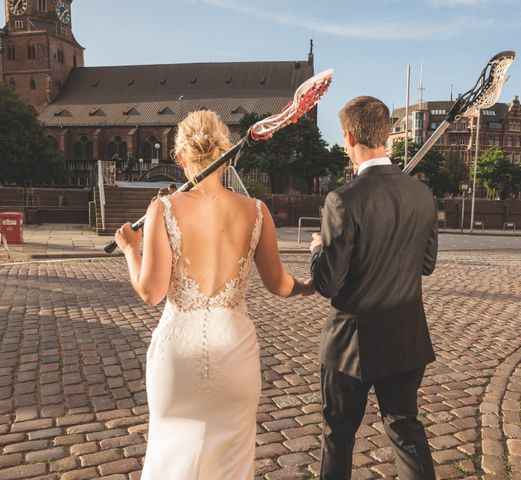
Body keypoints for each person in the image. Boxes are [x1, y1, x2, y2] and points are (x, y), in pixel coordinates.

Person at [115, 110, 314, 480]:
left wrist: (130, 248)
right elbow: (279, 284)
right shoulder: (256, 211)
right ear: (226, 153)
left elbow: (150, 292)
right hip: (234, 352)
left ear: (179, 157)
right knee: (231, 463)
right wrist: (306, 285)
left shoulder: (164, 208)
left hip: (178, 357)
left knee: (171, 457)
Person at [309, 96, 438, 480]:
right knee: (405, 430)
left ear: (349, 137)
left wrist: (318, 250)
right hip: (405, 337)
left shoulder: (342, 200)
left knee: (338, 435)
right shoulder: (422, 194)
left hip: (353, 343)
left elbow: (327, 282)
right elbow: (427, 265)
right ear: (387, 137)